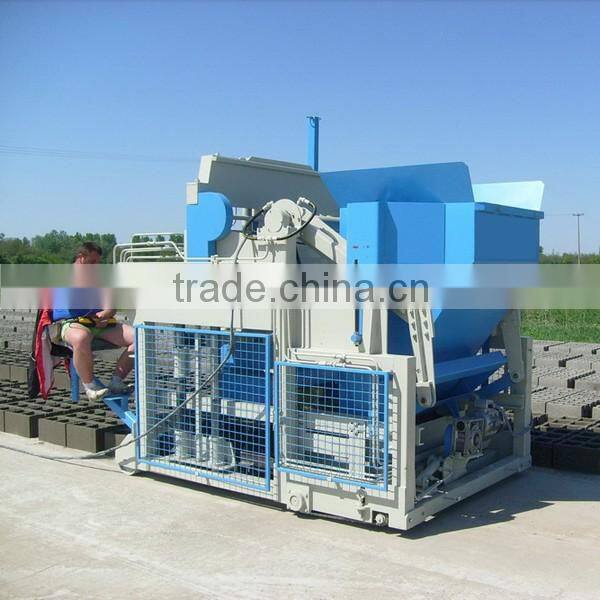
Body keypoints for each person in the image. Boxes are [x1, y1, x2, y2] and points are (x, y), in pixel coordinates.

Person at [50, 241, 134, 401]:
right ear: (81, 258)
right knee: (81, 338)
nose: (97, 266)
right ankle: (90, 387)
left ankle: (116, 381)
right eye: (93, 262)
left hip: (98, 323)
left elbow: (111, 307)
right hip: (71, 322)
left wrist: (105, 314)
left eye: (98, 262)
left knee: (138, 337)